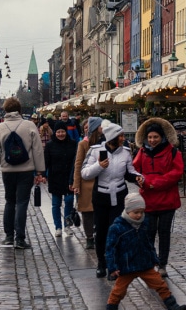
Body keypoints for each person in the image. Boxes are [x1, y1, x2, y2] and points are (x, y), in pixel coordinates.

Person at [104, 190, 186, 310]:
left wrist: (154, 258)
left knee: (160, 285)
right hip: (126, 266)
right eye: (135, 212)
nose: (139, 215)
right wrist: (112, 267)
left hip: (145, 264)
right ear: (127, 211)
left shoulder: (144, 224)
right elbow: (110, 249)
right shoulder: (117, 227)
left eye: (141, 212)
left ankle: (172, 305)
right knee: (118, 291)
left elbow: (148, 243)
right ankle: (111, 308)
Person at [81, 121, 141, 278]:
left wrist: (138, 178)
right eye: (120, 136)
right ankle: (102, 263)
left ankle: (114, 265)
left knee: (115, 231)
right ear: (112, 137)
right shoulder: (95, 151)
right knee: (101, 231)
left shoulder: (126, 152)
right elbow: (85, 173)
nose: (123, 138)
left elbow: (129, 172)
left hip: (120, 195)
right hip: (101, 196)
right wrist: (99, 166)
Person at [0, 96, 47, 249]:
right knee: (22, 202)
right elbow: (38, 150)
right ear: (19, 110)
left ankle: (8, 236)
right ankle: (19, 238)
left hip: (8, 171)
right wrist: (40, 170)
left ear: (5, 110)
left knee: (10, 201)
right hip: (26, 170)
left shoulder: (0, 127)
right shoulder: (29, 125)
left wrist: (3, 162)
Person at [133, 118, 184, 278]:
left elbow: (176, 173)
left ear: (162, 137)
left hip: (167, 200)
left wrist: (153, 182)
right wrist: (139, 179)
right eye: (150, 137)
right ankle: (151, 261)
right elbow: (134, 170)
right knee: (149, 233)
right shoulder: (142, 152)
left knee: (164, 233)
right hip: (148, 200)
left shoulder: (173, 152)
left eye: (155, 137)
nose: (152, 140)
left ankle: (162, 264)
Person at [73, 117, 104, 248]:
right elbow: (78, 164)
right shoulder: (83, 144)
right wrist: (76, 184)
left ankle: (99, 235)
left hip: (102, 181)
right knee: (87, 212)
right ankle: (89, 237)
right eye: (101, 126)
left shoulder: (106, 142)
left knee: (100, 211)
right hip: (86, 183)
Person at [44, 121, 77, 237]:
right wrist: (42, 175)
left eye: (62, 131)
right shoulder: (50, 145)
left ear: (66, 132)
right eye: (58, 132)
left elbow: (76, 162)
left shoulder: (73, 144)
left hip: (69, 178)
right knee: (56, 204)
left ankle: (67, 226)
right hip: (55, 178)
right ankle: (58, 227)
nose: (61, 134)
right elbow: (46, 162)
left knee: (69, 201)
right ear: (55, 132)